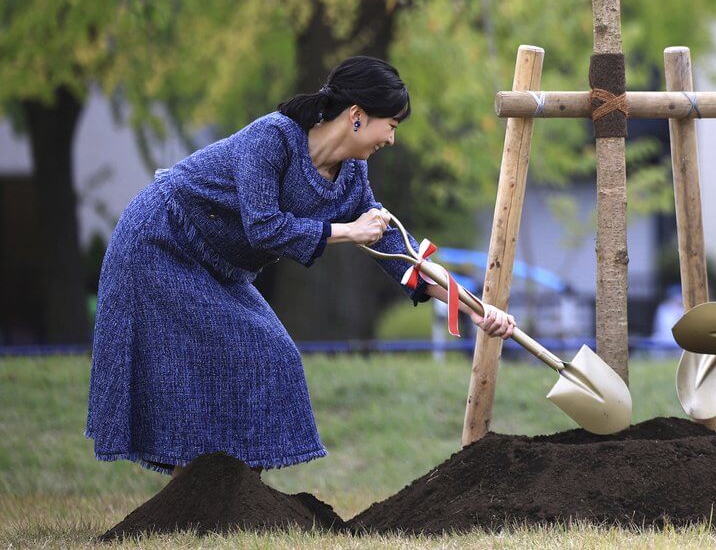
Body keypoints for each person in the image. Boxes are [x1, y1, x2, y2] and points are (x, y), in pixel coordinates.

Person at [86, 56, 516, 477]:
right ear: (357, 116)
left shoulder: (351, 177)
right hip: (160, 241)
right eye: (392, 125)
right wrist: (347, 231)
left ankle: (232, 498)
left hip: (219, 265)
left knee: (272, 355)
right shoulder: (273, 139)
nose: (391, 139)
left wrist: (478, 311)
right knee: (213, 364)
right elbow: (263, 228)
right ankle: (196, 499)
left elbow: (400, 254)